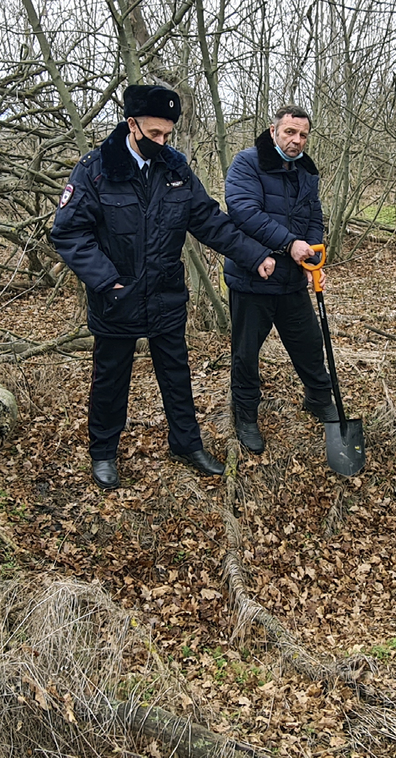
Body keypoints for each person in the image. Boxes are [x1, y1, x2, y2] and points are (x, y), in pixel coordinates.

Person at [51, 84, 276, 489]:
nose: (162, 142)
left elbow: (209, 221)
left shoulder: (175, 169)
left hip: (166, 295)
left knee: (176, 374)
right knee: (110, 379)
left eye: (168, 134)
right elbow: (69, 234)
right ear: (131, 123)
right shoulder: (96, 169)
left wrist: (255, 255)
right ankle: (103, 452)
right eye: (154, 134)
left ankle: (186, 444)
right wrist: (107, 280)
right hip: (116, 298)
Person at [223, 105, 338, 454]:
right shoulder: (247, 163)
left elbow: (313, 214)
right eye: (289, 132)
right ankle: (245, 414)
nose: (296, 140)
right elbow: (244, 210)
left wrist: (313, 250)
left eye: (302, 134)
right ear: (273, 130)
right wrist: (289, 244)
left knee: (308, 342)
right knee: (246, 354)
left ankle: (318, 399)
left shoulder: (306, 170)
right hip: (252, 277)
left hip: (291, 281)